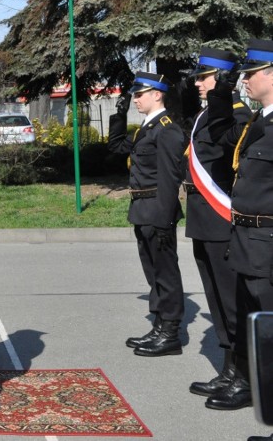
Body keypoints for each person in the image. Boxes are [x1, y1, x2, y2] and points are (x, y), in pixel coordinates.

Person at [204, 38, 273, 411]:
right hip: (246, 239)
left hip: (268, 240)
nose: (245, 80)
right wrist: (224, 87)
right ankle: (248, 385)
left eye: (250, 74)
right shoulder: (256, 123)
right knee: (251, 322)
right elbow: (219, 133)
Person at [184, 48, 252, 401]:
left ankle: (243, 375)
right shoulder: (203, 115)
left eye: (203, 77)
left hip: (221, 219)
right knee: (215, 298)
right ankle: (228, 370)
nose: (197, 83)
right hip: (203, 221)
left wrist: (224, 98)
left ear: (222, 79)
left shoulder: (236, 115)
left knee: (231, 300)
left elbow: (229, 153)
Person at [108, 71, 186, 356]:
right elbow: (117, 147)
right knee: (154, 274)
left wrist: (165, 219)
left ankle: (171, 333)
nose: (135, 99)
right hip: (142, 209)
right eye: (133, 95)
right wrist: (119, 115)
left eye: (139, 95)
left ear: (157, 94)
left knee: (166, 274)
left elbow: (170, 178)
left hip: (156, 209)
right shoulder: (147, 128)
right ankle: (159, 326)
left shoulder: (166, 129)